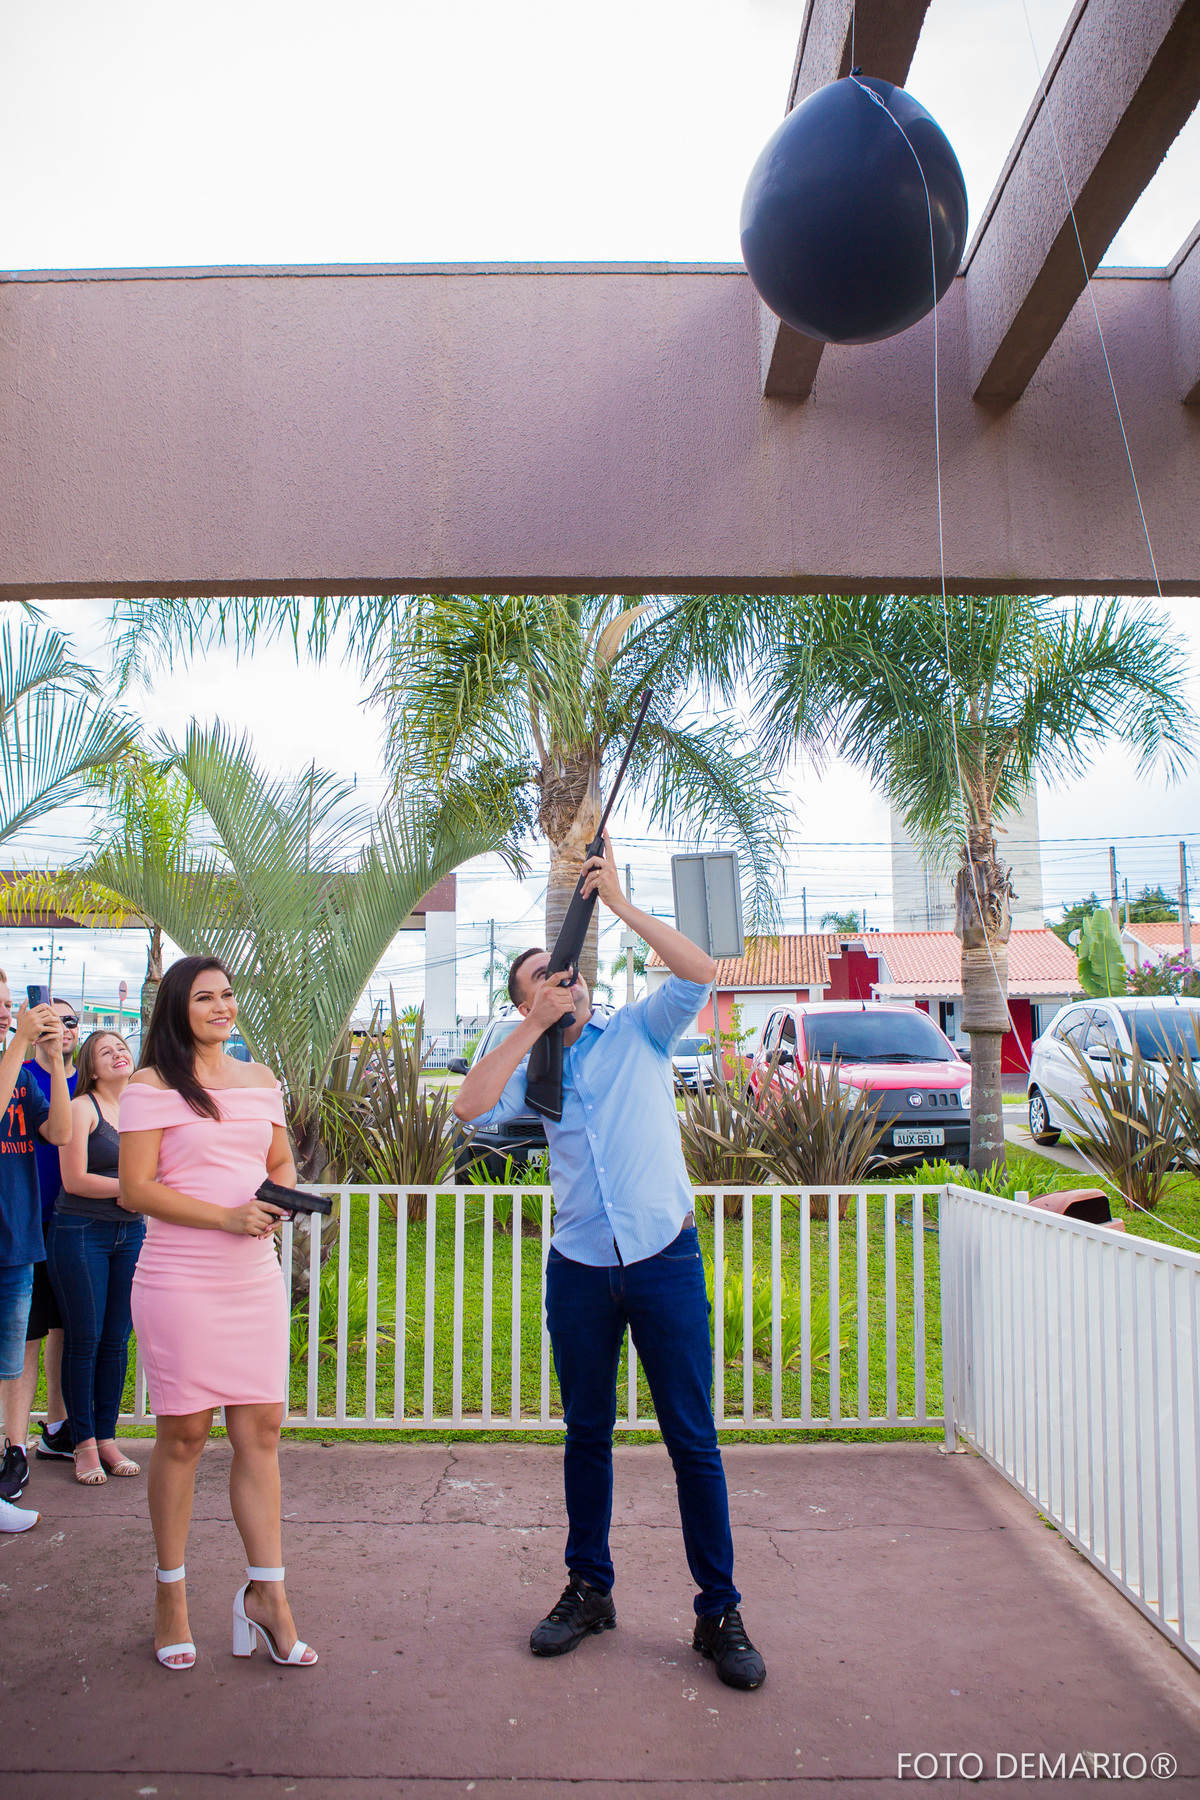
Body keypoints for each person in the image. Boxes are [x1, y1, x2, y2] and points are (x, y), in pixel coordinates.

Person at [453, 835, 766, 1691]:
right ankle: (589, 1589)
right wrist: (533, 1024)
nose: (566, 980)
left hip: (665, 1258)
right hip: (581, 1267)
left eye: (568, 971)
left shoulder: (638, 1031)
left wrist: (620, 904)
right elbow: (469, 1105)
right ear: (526, 998)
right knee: (586, 1434)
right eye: (543, 977)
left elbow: (701, 973)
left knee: (692, 1440)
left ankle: (719, 1611)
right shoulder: (532, 1056)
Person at [118, 956, 317, 1673]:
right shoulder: (150, 1086)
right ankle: (170, 1596)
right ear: (178, 1008)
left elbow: (281, 1162)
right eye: (205, 997)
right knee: (184, 1434)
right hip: (179, 1278)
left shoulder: (260, 1079)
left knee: (261, 1430)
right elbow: (135, 1189)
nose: (221, 1006)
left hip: (251, 1277)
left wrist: (272, 1202)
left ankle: (268, 1597)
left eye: (228, 995)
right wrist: (226, 1217)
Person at [48, 1030, 144, 1484]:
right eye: (106, 1051)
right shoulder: (82, 1107)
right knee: (84, 1339)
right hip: (82, 1231)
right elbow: (75, 1179)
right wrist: (129, 1189)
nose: (118, 1054)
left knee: (116, 1340)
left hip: (132, 1233)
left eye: (122, 1047)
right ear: (91, 1066)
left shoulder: (142, 1109)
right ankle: (82, 1443)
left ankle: (106, 1437)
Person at [0, 972, 73, 1531]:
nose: (8, 1013)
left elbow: (61, 1134)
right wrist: (22, 1042)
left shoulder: (25, 1076)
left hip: (17, 1240)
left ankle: (12, 1454)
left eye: (8, 1004)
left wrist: (52, 1061)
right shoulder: (11, 1064)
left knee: (8, 1363)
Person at [26, 995, 80, 1464]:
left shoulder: (89, 1083)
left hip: (75, 1223)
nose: (62, 1028)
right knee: (26, 1333)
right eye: (52, 1020)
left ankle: (58, 1426)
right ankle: (12, 1435)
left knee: (64, 1327)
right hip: (26, 1222)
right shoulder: (19, 1076)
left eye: (70, 1021)